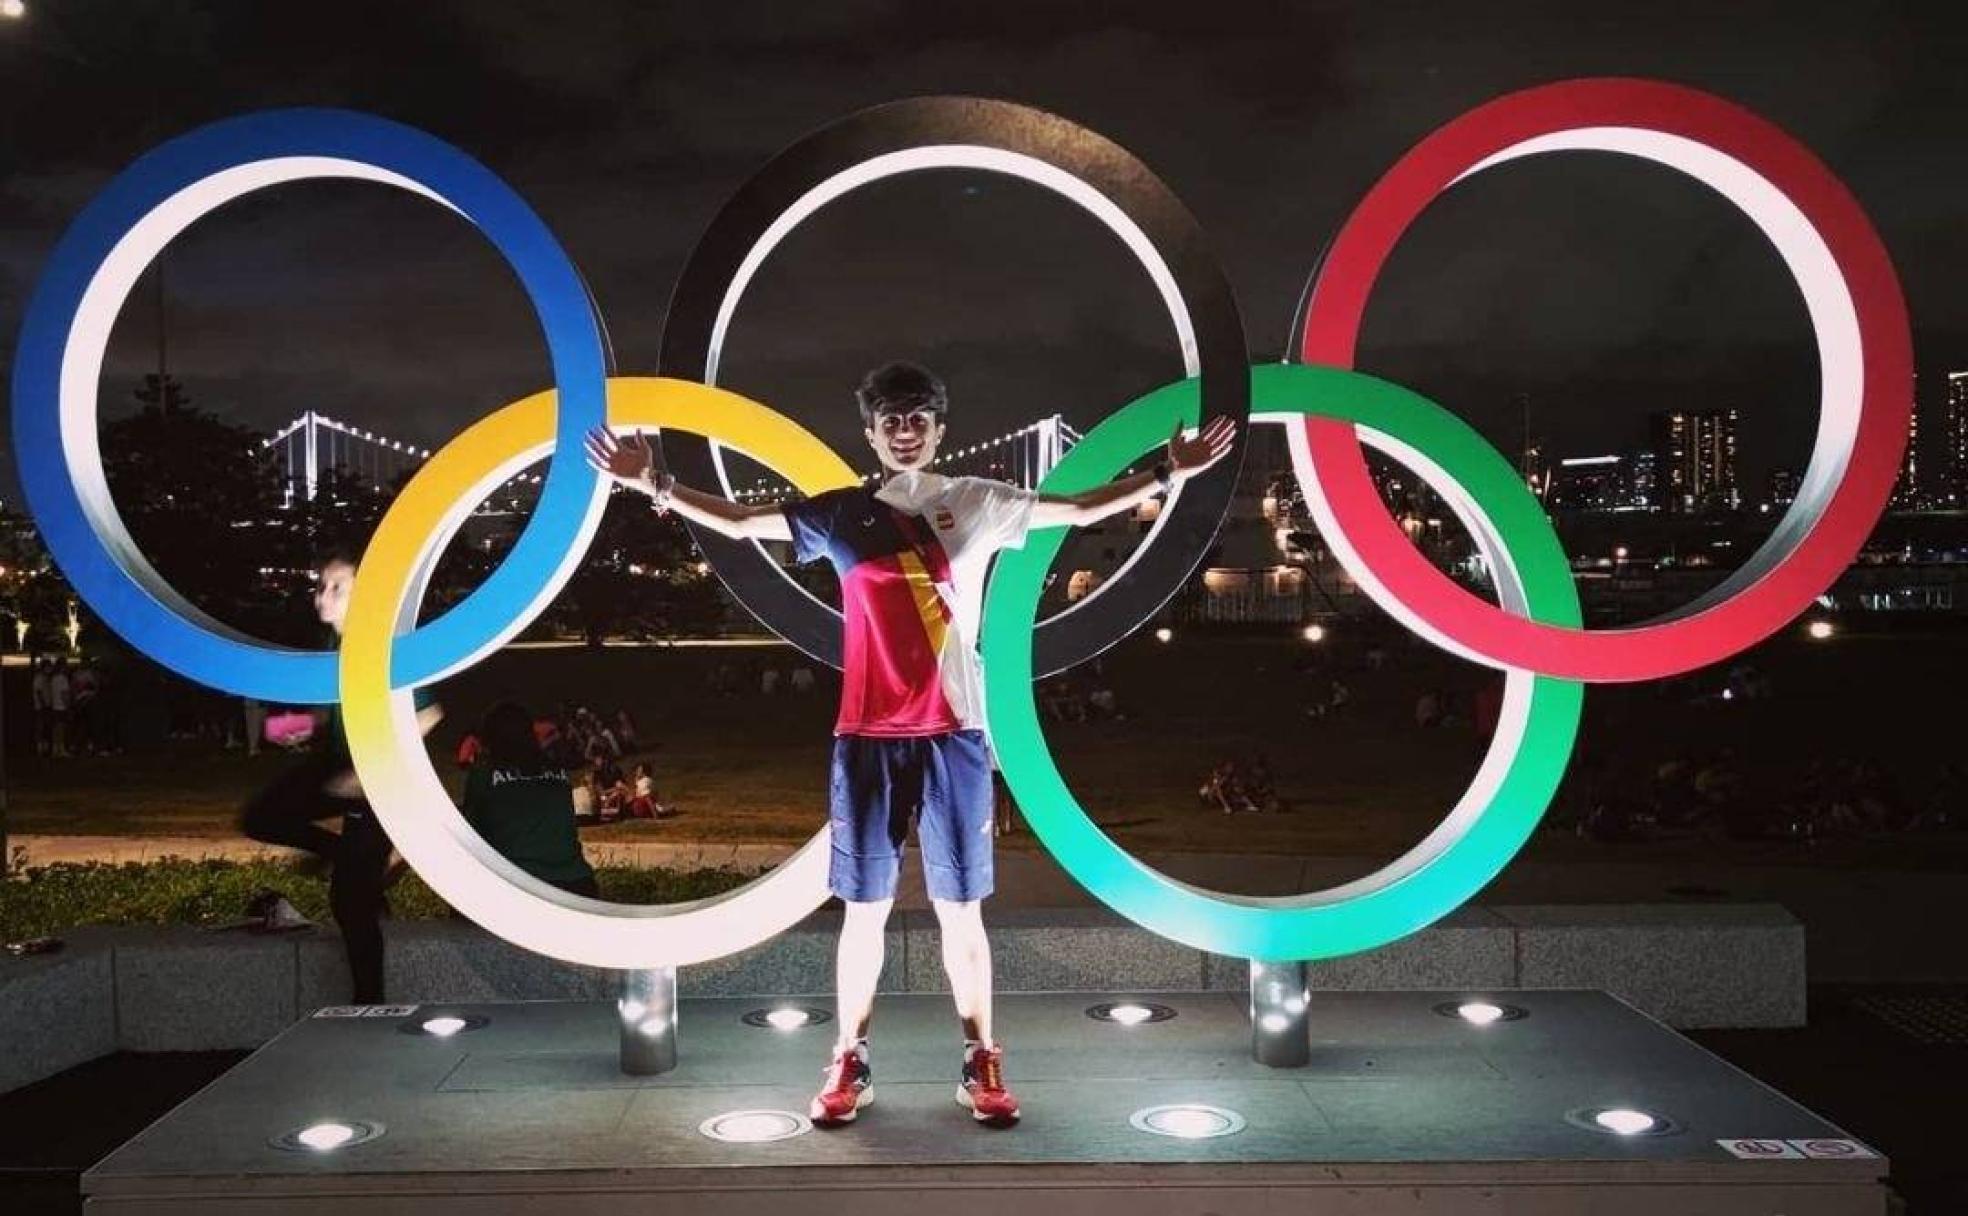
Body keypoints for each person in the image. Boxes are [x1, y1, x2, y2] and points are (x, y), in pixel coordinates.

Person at [588, 360, 1233, 1128]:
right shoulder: (838, 515)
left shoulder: (978, 503)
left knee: (962, 911)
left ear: (938, 429)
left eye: (918, 417)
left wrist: (1170, 472)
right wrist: (652, 481)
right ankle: (848, 1063)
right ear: (870, 433)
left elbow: (1086, 510)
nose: (904, 430)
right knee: (863, 912)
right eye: (890, 419)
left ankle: (981, 1062)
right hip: (865, 736)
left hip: (954, 736)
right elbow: (737, 522)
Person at [238, 553, 442, 1004]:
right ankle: (343, 856)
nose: (322, 597)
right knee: (260, 816)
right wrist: (287, 730)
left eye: (337, 587)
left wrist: (372, 772)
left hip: (382, 781)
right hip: (341, 768)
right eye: (320, 586)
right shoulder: (334, 645)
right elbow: (328, 718)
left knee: (350, 904)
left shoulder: (384, 645)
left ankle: (369, 1006)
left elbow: (429, 713)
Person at [460, 702, 598, 897]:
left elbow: (471, 836)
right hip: (578, 884)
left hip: (521, 885)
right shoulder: (558, 772)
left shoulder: (484, 776)